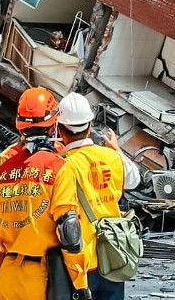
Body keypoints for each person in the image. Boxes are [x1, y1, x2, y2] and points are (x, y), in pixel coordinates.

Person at [0, 87, 91, 300]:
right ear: (54, 126)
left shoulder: (0, 173)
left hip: (6, 275)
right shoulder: (59, 168)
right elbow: (69, 229)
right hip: (42, 278)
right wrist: (80, 284)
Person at [57, 92, 141, 300]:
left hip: (80, 263)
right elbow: (134, 180)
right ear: (90, 125)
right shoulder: (111, 158)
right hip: (113, 255)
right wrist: (118, 151)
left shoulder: (62, 165)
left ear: (59, 129)